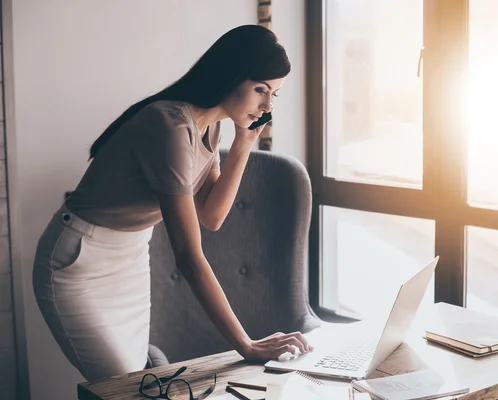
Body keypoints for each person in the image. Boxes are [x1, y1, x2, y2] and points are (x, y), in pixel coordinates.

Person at [32, 24, 312, 382]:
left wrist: (244, 143)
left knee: (136, 381)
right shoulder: (171, 127)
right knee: (124, 385)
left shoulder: (209, 126)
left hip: (130, 257)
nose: (268, 105)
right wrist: (246, 344)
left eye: (274, 94)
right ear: (231, 75)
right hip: (78, 260)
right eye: (261, 89)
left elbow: (211, 216)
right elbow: (188, 255)